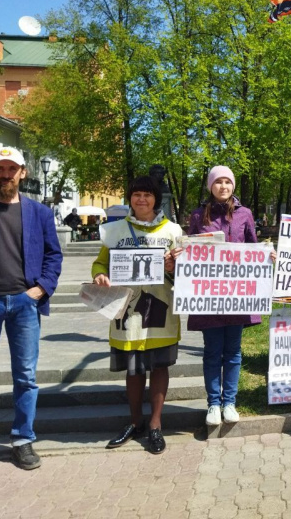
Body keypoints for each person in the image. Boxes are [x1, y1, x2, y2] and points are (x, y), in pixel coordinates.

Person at [0, 147, 63, 486]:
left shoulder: (40, 214)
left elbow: (53, 255)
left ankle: (22, 440)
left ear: (23, 173)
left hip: (24, 305)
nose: (6, 174)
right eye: (0, 168)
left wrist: (40, 290)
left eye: (12, 168)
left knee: (27, 377)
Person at [92, 176, 183, 454]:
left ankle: (155, 424)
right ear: (129, 198)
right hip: (127, 311)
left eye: (147, 194)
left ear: (156, 198)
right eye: (136, 194)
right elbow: (100, 262)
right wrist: (99, 275)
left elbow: (185, 274)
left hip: (160, 308)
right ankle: (135, 422)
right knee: (133, 371)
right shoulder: (114, 230)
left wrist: (171, 266)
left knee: (158, 367)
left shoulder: (173, 231)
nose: (141, 199)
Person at [187, 166, 261, 427]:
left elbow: (254, 248)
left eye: (228, 182)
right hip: (209, 296)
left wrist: (266, 255)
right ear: (210, 186)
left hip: (237, 295)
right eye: (218, 181)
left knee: (233, 351)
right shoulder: (198, 215)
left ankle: (229, 402)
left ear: (233, 186)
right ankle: (213, 404)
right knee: (212, 352)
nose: (223, 186)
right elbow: (190, 249)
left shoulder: (245, 214)